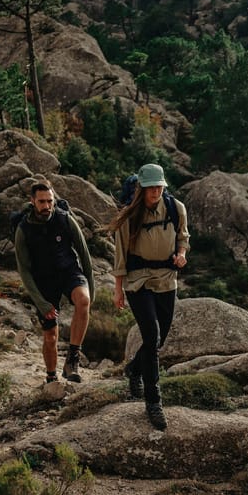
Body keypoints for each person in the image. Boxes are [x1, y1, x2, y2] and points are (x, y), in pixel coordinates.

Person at [107, 163, 190, 430]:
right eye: (151, 186)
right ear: (141, 188)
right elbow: (120, 257)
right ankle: (154, 402)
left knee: (161, 335)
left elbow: (183, 237)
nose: (155, 191)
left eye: (159, 186)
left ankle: (134, 369)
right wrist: (118, 290)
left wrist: (182, 254)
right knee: (152, 335)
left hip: (166, 278)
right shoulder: (128, 217)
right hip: (138, 280)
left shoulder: (176, 209)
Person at [14, 179, 94, 384]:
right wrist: (41, 302)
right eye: (42, 202)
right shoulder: (23, 230)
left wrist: (91, 291)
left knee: (83, 301)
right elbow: (24, 270)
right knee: (50, 336)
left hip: (69, 272)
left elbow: (85, 256)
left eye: (50, 201)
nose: (47, 206)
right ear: (32, 201)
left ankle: (72, 359)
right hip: (43, 282)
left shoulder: (64, 219)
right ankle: (51, 377)